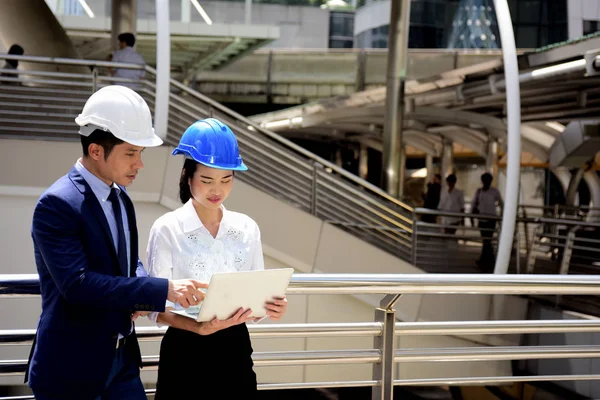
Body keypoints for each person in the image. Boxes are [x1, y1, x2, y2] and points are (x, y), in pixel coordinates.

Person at [27, 85, 207, 400]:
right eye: (130, 153)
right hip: (72, 369)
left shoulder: (120, 195)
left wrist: (140, 291)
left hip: (122, 361)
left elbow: (129, 263)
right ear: (96, 150)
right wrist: (161, 289)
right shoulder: (56, 204)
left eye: (140, 153)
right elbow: (77, 285)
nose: (139, 164)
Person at [146, 118, 288, 399]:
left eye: (226, 179)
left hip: (235, 349)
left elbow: (254, 299)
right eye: (207, 180)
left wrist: (270, 308)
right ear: (188, 176)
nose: (217, 190)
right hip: (185, 348)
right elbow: (154, 307)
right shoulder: (167, 228)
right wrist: (198, 327)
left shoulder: (246, 228)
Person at [471, 172, 503, 271]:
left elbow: (502, 203)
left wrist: (502, 215)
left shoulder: (494, 192)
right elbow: (474, 204)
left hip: (491, 219)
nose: (486, 182)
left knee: (487, 240)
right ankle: (489, 259)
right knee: (486, 240)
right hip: (482, 219)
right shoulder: (479, 191)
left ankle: (487, 259)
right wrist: (471, 217)